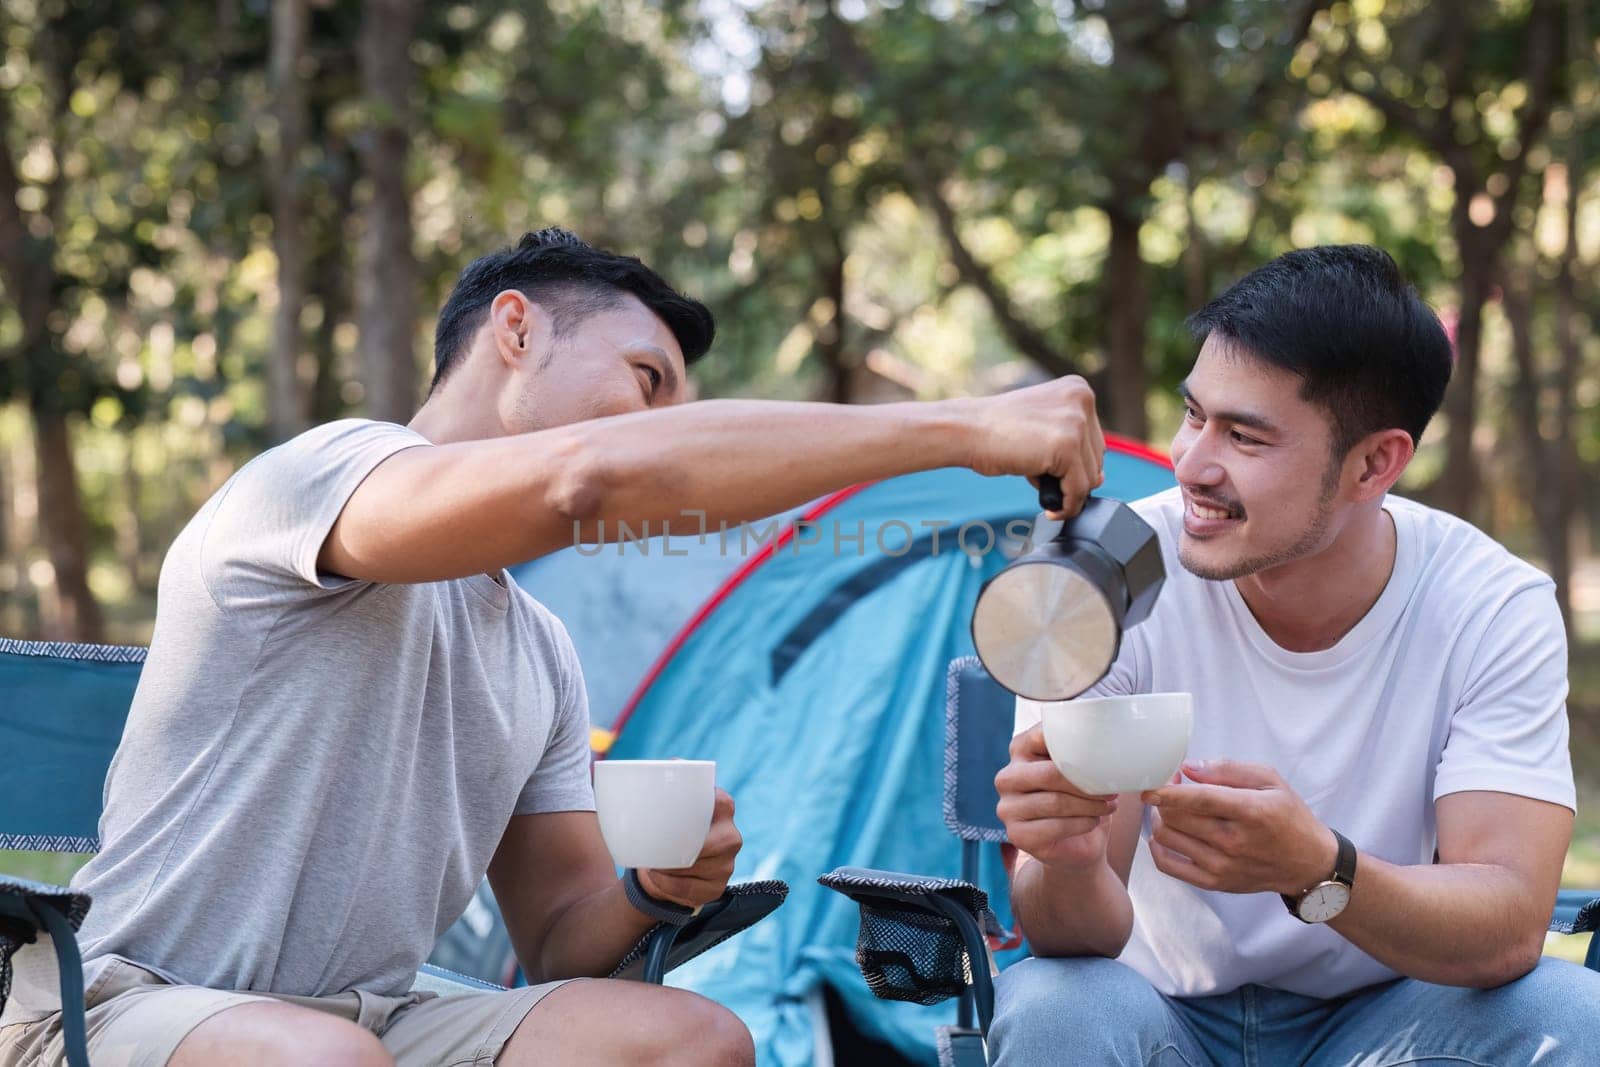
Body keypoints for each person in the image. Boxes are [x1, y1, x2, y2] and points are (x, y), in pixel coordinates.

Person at [0, 227, 1107, 1066]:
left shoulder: (534, 643)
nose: (667, 425)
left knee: (695, 1038)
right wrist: (968, 427)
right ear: (515, 330)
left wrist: (655, 888)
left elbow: (563, 931)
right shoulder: (320, 477)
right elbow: (589, 478)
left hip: (377, 1017)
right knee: (327, 1058)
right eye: (648, 382)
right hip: (123, 1002)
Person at [990, 244, 1600, 1065]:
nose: (1191, 462)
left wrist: (1320, 868)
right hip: (1161, 1011)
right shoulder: (1107, 568)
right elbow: (1074, 935)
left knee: (1575, 1012)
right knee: (1054, 1005)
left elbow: (1507, 925)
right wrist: (1063, 860)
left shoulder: (1490, 605)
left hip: (1387, 1013)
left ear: (1373, 463)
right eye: (1193, 414)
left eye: (1244, 435)